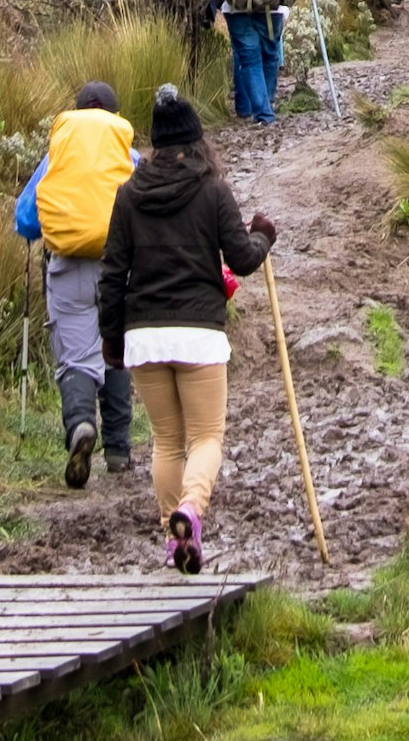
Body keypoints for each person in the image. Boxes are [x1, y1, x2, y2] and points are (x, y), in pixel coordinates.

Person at [95, 83, 274, 574]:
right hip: (198, 333)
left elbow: (113, 273)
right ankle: (191, 511)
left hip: (144, 336)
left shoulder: (129, 195)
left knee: (166, 442)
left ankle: (175, 543)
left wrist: (111, 338)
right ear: (197, 140)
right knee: (207, 439)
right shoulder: (213, 190)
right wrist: (262, 237)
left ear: (155, 144)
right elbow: (240, 257)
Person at [17, 79, 136, 487]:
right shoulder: (128, 154)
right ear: (116, 118)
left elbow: (26, 220)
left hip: (68, 266)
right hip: (118, 269)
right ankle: (119, 451)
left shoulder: (58, 155)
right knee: (117, 350)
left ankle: (82, 425)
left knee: (75, 357)